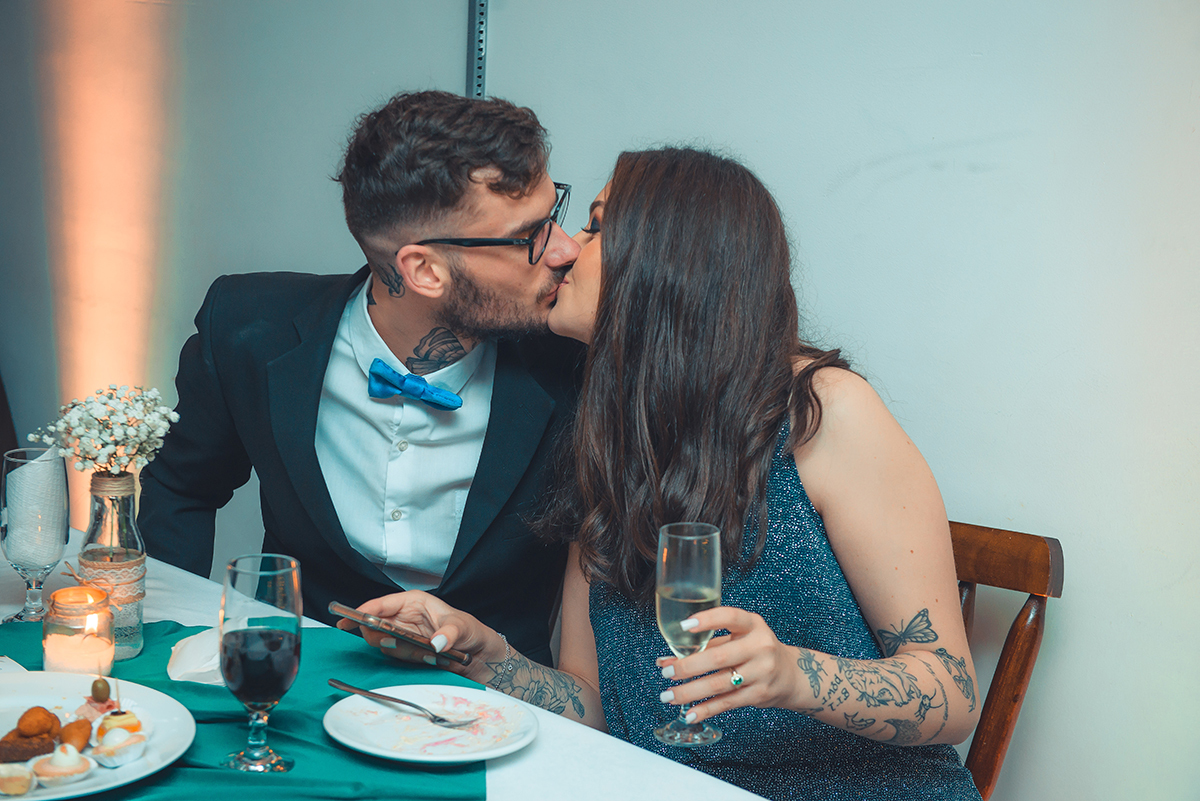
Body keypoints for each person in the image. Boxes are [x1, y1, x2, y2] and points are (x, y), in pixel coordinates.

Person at [339, 147, 984, 800]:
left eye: (593, 226)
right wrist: (485, 656)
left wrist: (793, 674)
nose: (562, 249)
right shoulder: (607, 433)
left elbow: (951, 691)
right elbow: (594, 706)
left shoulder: (824, 412)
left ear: (664, 258)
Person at [139, 90, 584, 666]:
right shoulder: (249, 328)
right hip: (298, 682)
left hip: (494, 703)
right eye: (530, 237)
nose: (565, 250)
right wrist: (170, 640)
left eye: (558, 214)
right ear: (423, 269)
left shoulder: (578, 363)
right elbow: (181, 488)